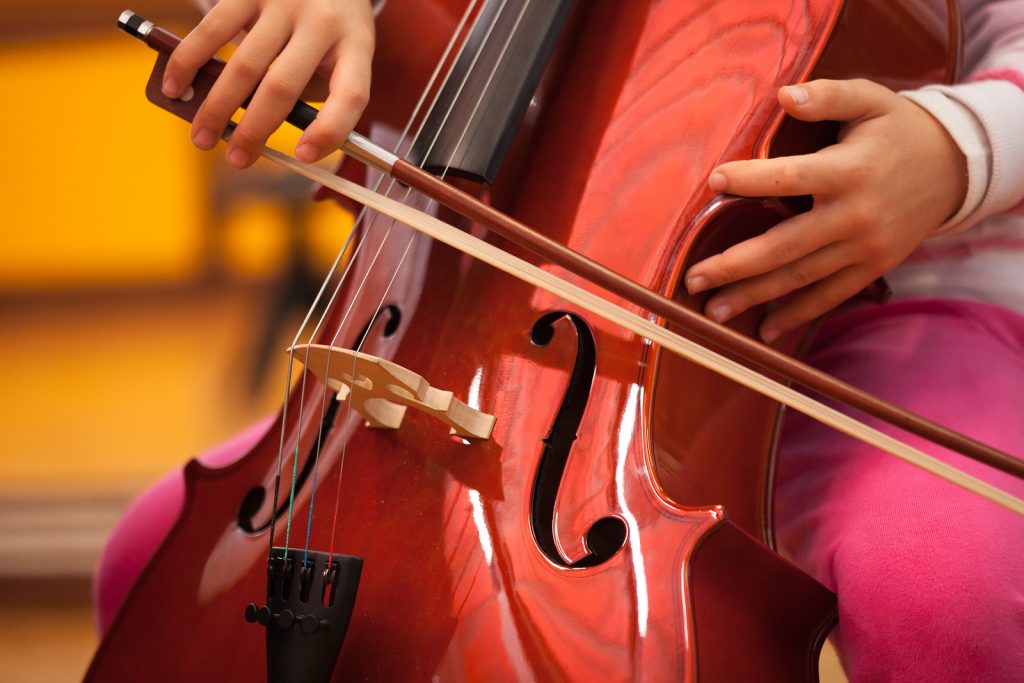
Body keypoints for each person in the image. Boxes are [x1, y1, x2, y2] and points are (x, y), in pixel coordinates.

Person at [97, 0, 1024, 680]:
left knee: (943, 588)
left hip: (891, 309)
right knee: (158, 558)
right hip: (495, 309)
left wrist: (957, 153)